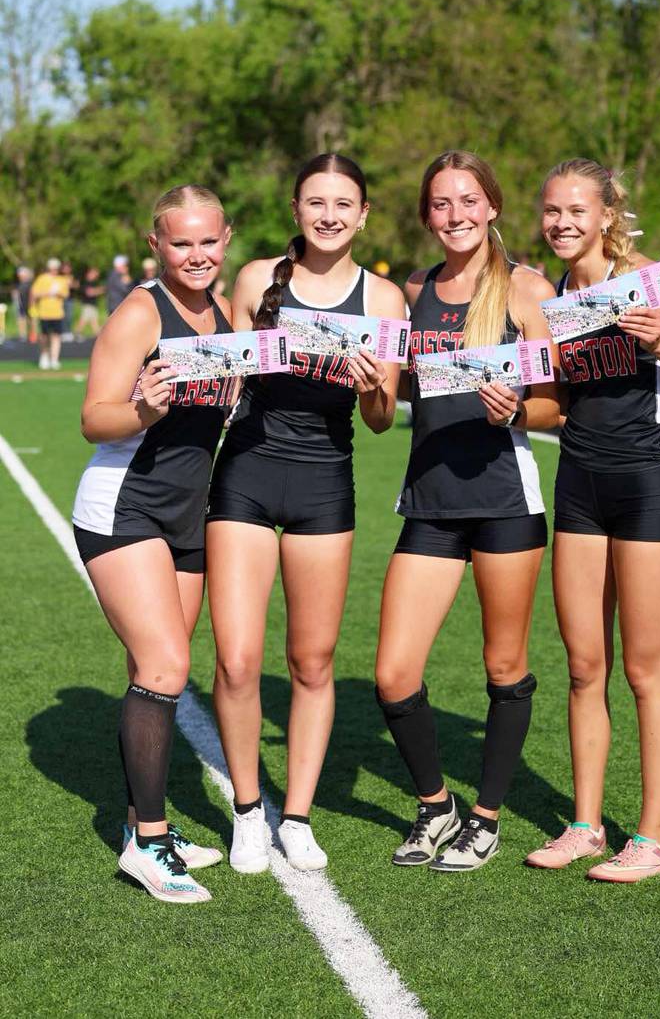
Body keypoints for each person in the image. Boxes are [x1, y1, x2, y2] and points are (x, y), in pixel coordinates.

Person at [525, 158, 660, 882]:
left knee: (645, 669)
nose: (562, 223)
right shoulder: (551, 292)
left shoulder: (645, 276)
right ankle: (584, 825)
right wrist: (510, 403)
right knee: (584, 666)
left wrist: (658, 341)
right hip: (579, 485)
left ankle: (653, 840)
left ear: (607, 213)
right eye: (551, 211)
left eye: (576, 210)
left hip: (645, 484)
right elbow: (557, 402)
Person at [206, 154, 405, 873]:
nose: (329, 214)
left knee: (313, 662)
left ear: (363, 213)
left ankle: (297, 817)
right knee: (235, 660)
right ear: (296, 209)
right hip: (247, 476)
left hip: (326, 482)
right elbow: (227, 383)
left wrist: (372, 388)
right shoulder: (257, 279)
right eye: (315, 201)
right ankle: (248, 813)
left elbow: (382, 418)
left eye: (343, 203)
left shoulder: (383, 300)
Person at [374, 150, 560, 873]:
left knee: (504, 663)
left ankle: (485, 817)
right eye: (441, 204)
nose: (456, 215)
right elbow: (385, 402)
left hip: (504, 500)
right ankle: (435, 807)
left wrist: (518, 406)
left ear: (492, 207)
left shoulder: (525, 288)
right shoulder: (413, 290)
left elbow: (555, 405)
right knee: (393, 673)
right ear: (427, 216)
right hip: (430, 500)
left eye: (469, 201)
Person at [72, 184, 235, 903]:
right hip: (124, 505)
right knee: (166, 665)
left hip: (187, 515)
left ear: (225, 239)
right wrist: (142, 408)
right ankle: (146, 842)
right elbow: (94, 418)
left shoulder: (222, 313)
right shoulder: (143, 310)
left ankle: (151, 829)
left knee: (157, 666)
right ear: (156, 246)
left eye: (208, 241)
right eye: (181, 243)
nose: (196, 255)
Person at [31, 258, 69, 370]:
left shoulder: (62, 280)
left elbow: (66, 294)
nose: (54, 270)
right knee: (44, 336)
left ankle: (54, 359)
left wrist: (58, 293)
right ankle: (44, 356)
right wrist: (47, 293)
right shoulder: (41, 279)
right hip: (44, 312)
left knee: (56, 336)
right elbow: (34, 293)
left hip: (57, 313)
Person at [76, 266, 104, 340]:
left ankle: (98, 335)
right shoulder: (86, 282)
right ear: (89, 273)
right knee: (84, 319)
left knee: (93, 320)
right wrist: (99, 290)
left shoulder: (94, 282)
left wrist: (97, 290)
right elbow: (89, 292)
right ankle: (77, 333)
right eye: (94, 273)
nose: (95, 275)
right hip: (88, 304)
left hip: (93, 304)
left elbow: (96, 291)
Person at [13, 266, 33, 342]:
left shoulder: (30, 284)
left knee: (31, 319)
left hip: (29, 304)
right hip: (20, 304)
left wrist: (31, 303)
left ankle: (32, 334)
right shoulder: (17, 284)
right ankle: (22, 335)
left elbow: (32, 294)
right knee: (21, 319)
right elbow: (15, 294)